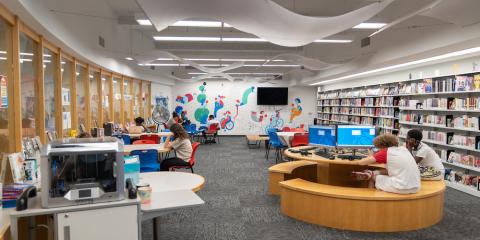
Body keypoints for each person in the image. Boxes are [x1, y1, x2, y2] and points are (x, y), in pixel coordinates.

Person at [352, 134, 421, 194]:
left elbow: (361, 162)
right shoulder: (403, 150)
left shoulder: (385, 152)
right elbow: (392, 170)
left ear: (381, 145)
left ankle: (370, 198)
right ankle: (372, 173)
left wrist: (371, 156)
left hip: (402, 187)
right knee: (383, 172)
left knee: (372, 178)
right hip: (416, 186)